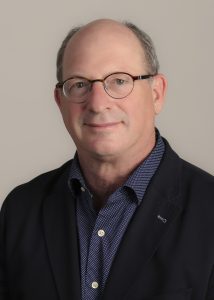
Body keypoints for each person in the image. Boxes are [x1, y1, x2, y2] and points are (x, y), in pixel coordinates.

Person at [0, 18, 214, 300]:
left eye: (120, 81)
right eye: (79, 84)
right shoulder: (21, 209)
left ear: (157, 94)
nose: (98, 103)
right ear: (59, 101)